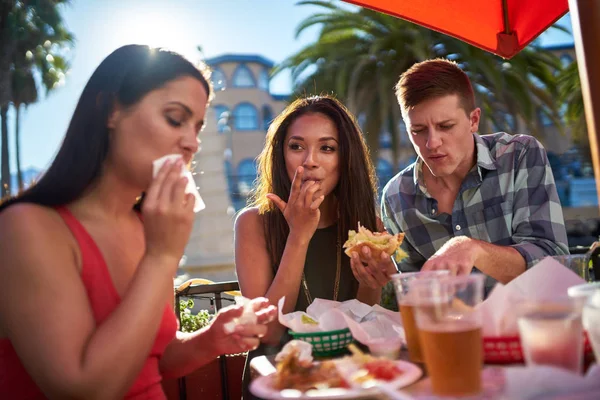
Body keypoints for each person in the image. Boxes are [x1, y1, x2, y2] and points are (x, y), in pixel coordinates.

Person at [0, 45, 276, 400]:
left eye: (197, 127)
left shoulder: (146, 229)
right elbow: (84, 389)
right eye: (176, 119)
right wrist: (161, 256)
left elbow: (151, 361)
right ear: (111, 109)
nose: (191, 142)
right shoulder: (25, 228)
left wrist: (210, 340)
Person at [234, 95, 390, 398]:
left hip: (349, 379)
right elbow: (269, 332)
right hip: (280, 381)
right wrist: (299, 235)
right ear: (281, 155)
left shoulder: (366, 225)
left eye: (327, 148)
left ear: (345, 160)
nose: (310, 161)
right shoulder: (253, 223)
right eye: (296, 147)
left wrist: (372, 282)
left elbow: (366, 320)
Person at [381, 58, 569, 292]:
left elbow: (554, 263)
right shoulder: (396, 197)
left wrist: (472, 249)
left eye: (446, 126)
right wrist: (384, 276)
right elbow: (415, 294)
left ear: (474, 120)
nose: (432, 143)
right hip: (453, 328)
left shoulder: (518, 155)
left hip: (532, 324)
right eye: (418, 131)